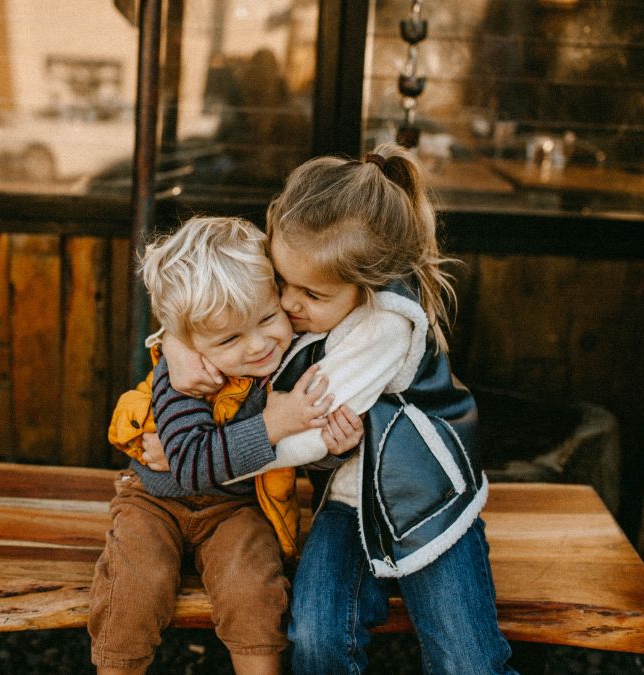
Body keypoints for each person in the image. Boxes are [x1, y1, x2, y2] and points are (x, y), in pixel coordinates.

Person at [157, 144, 518, 674]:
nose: (287, 305)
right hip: (345, 503)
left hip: (424, 502)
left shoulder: (386, 326)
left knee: (466, 660)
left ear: (368, 284)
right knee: (318, 636)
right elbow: (211, 303)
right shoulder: (305, 278)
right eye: (281, 283)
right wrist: (176, 343)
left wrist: (198, 459)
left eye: (312, 295)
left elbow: (305, 437)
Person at [87, 216, 363, 675]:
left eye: (268, 318)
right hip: (156, 501)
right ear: (189, 342)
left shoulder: (293, 363)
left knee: (252, 589)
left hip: (240, 507)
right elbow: (191, 464)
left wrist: (337, 447)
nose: (258, 345)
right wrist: (274, 423)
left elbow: (306, 448)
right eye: (230, 338)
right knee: (136, 584)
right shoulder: (185, 380)